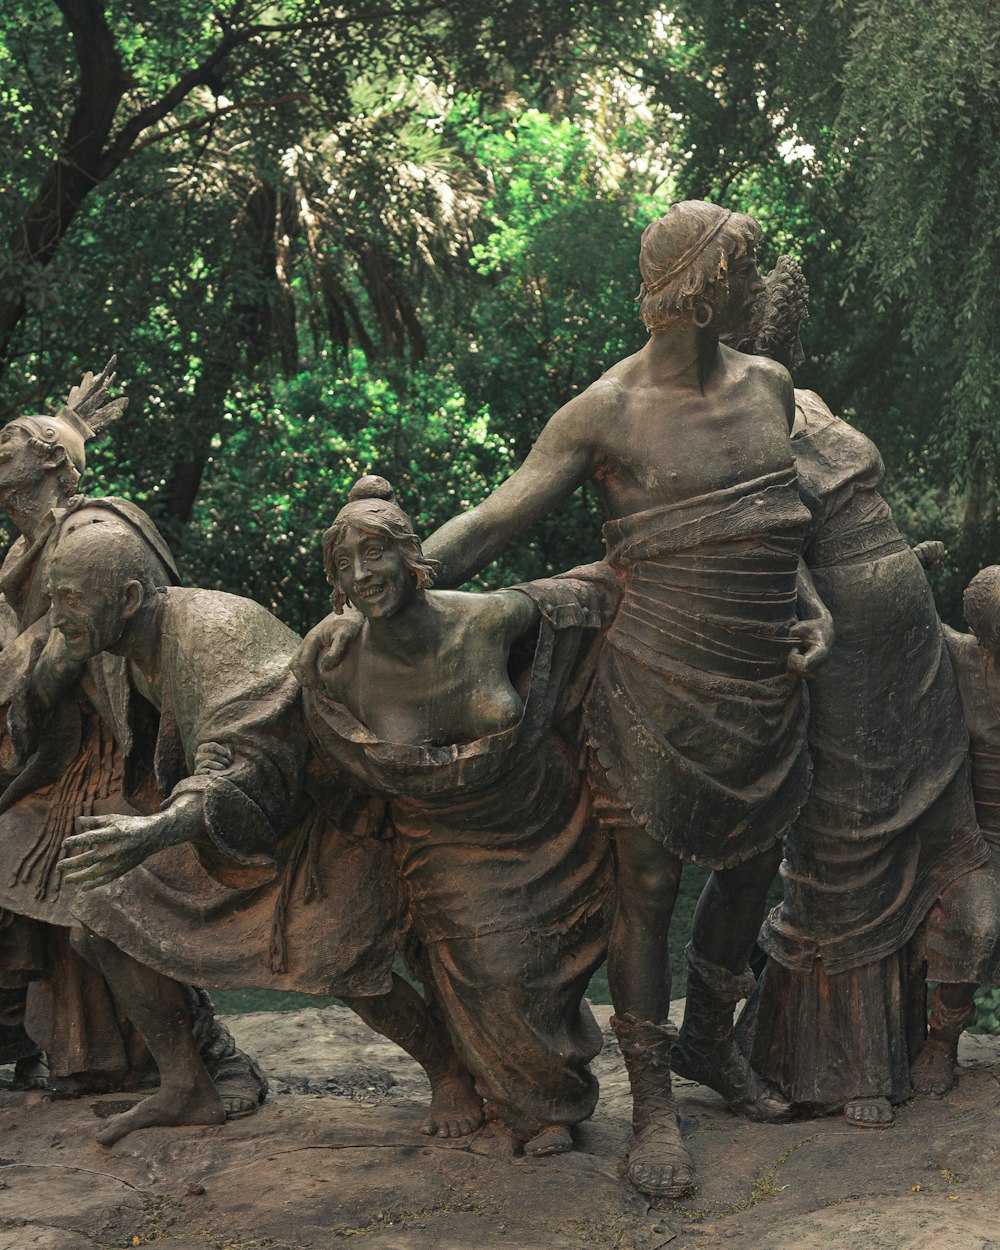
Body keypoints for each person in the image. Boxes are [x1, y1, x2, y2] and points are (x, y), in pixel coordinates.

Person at [296, 202, 833, 1197]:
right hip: (655, 677)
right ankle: (653, 1101)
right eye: (744, 269)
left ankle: (711, 1038)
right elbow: (497, 517)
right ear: (699, 283)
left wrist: (810, 608)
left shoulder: (771, 384)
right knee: (649, 886)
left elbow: (774, 520)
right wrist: (387, 586)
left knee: (757, 858)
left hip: (764, 679)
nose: (758, 288)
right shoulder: (605, 408)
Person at [54, 513, 479, 1146]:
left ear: (129, 598)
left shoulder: (212, 632)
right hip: (224, 827)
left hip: (320, 816)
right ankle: (186, 1085)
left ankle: (450, 1076)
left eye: (67, 598)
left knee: (341, 961)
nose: (57, 613)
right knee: (99, 912)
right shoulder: (116, 653)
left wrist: (155, 830)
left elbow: (249, 767)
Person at [733, 258, 992, 1126]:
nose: (780, 342)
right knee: (841, 863)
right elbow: (771, 551)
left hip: (914, 662)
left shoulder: (804, 403)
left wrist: (901, 565)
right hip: (844, 671)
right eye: (763, 331)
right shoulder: (734, 428)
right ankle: (837, 1063)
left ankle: (935, 1038)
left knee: (948, 856)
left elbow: (855, 517)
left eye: (779, 333)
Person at [303, 476, 617, 1156]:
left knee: (538, 970)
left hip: (550, 820)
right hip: (442, 838)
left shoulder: (486, 617)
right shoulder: (335, 663)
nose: (363, 574)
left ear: (412, 558)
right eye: (345, 563)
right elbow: (299, 736)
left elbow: (592, 597)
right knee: (496, 968)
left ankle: (539, 1083)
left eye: (377, 553)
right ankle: (542, 1105)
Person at [0, 360, 264, 1110]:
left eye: (12, 444)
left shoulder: (93, 532)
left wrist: (26, 682)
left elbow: (72, 655)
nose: (0, 449)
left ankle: (209, 1059)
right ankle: (83, 1056)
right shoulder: (23, 550)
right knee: (49, 890)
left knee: (105, 895)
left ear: (48, 467)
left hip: (118, 750)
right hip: (63, 752)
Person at [911, 567, 1000, 1095]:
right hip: (976, 837)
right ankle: (941, 1041)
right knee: (977, 921)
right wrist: (914, 573)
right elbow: (918, 623)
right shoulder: (961, 658)